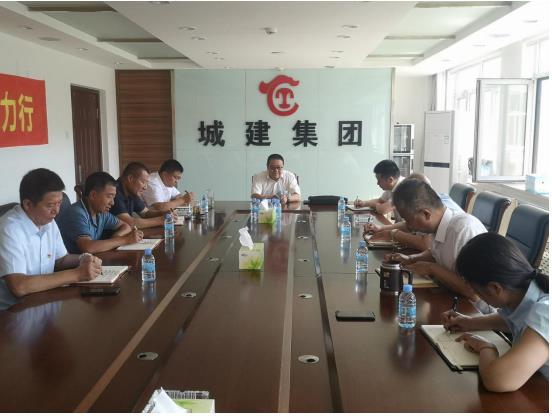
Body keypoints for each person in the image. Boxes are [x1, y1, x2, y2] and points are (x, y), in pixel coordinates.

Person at [442, 233, 548, 391]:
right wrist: (469, 322)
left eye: (476, 290)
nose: (476, 294)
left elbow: (497, 380)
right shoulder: (522, 292)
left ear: (495, 288)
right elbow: (514, 319)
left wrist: (486, 348)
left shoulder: (545, 312)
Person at [0, 168, 101, 310]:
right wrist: (77, 274)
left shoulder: (47, 221)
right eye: (50, 205)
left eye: (59, 203)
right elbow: (19, 286)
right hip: (12, 313)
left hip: (43, 302)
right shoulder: (9, 229)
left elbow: (61, 259)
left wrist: (84, 258)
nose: (57, 211)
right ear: (28, 204)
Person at [384, 178, 486, 299]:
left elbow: (474, 293)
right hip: (452, 296)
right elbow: (436, 254)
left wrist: (431, 268)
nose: (408, 226)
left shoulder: (464, 230)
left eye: (408, 220)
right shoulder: (439, 226)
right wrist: (411, 259)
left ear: (426, 214)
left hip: (474, 307)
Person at [365, 173, 462, 251]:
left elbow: (426, 245)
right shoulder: (430, 202)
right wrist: (382, 228)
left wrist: (395, 234)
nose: (410, 226)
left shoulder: (439, 209)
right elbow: (409, 223)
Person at [57, 172, 143, 254]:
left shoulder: (101, 212)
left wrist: (117, 237)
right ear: (93, 195)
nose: (112, 203)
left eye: (113, 197)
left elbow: (125, 226)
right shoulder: (77, 213)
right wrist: (125, 240)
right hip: (73, 262)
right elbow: (88, 247)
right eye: (109, 196)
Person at [110, 162, 176, 229]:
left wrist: (163, 213)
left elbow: (146, 213)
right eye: (143, 182)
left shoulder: (131, 191)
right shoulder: (114, 192)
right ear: (130, 178)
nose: (145, 187)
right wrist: (161, 220)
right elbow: (129, 222)